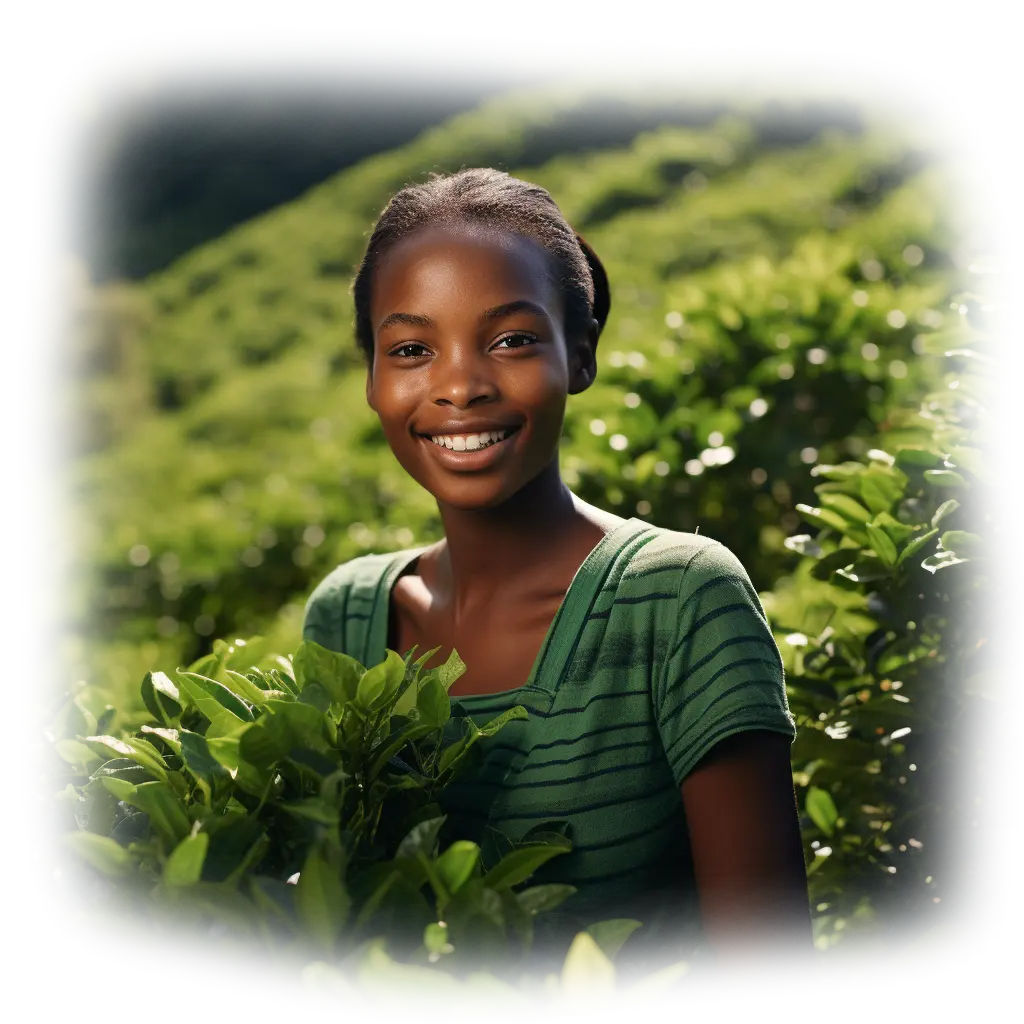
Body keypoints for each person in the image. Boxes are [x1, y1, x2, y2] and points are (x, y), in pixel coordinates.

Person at [302, 167, 817, 994]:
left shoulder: (679, 598)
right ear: (372, 378)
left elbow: (771, 977)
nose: (460, 384)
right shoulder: (345, 619)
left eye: (510, 340)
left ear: (579, 355)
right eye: (410, 349)